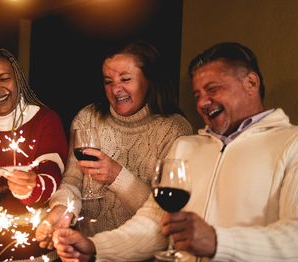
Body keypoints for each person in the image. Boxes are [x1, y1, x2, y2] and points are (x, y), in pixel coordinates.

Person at [53, 42, 298, 261]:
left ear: (251, 83)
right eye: (197, 94)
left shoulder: (292, 144)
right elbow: (154, 223)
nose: (202, 102)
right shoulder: (188, 146)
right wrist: (95, 247)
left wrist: (218, 242)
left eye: (213, 89)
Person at [36, 41, 192, 247]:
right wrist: (61, 209)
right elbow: (72, 180)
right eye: (108, 81)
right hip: (86, 248)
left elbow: (165, 212)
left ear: (149, 80)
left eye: (125, 79)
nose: (116, 89)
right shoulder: (87, 118)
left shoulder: (175, 129)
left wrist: (117, 176)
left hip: (141, 253)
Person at [0, 48, 68, 261]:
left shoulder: (44, 120)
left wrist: (34, 186)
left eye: (4, 79)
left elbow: (54, 175)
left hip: (36, 251)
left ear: (17, 80)